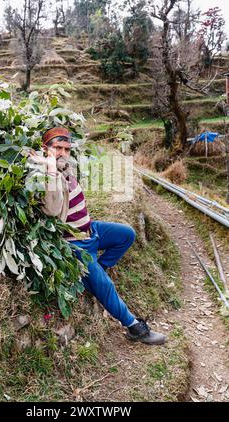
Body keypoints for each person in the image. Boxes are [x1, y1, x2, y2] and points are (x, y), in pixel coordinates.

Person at [29, 127, 166, 345]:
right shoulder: (46, 174)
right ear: (45, 149)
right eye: (57, 148)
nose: (63, 152)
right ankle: (134, 328)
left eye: (66, 148)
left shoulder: (66, 168)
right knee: (106, 287)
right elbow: (52, 210)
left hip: (91, 230)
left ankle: (96, 272)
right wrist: (50, 169)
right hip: (76, 245)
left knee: (126, 235)